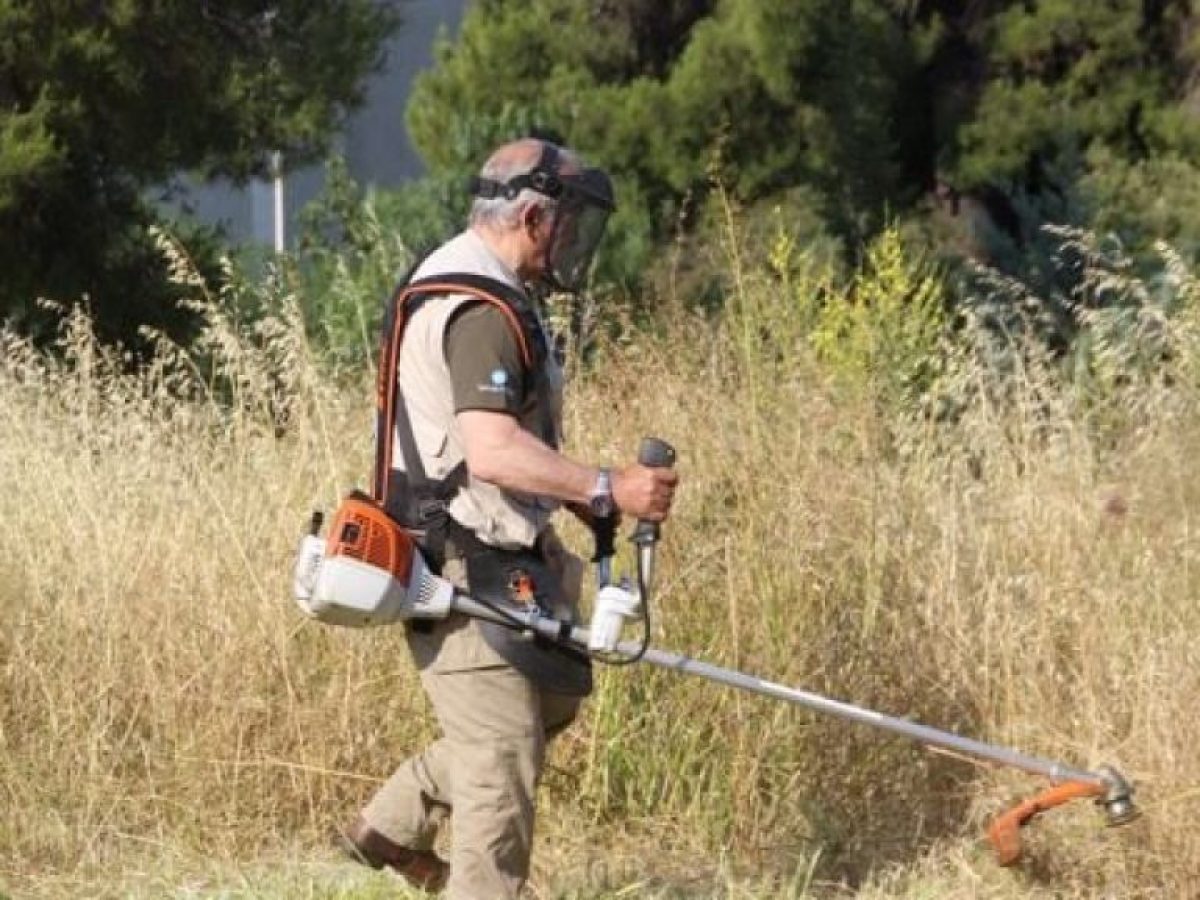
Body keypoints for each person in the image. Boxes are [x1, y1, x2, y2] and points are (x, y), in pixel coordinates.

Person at [338, 137, 678, 898]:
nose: (574, 246)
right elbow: (490, 452)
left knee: (549, 699)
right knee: (500, 769)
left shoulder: (473, 282)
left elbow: (487, 449)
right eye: (571, 226)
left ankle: (392, 824)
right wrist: (606, 486)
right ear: (531, 215)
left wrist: (579, 494)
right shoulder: (481, 308)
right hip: (462, 565)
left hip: (497, 554)